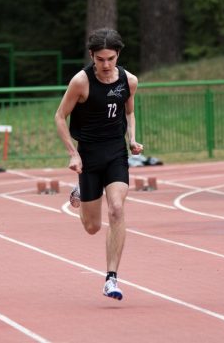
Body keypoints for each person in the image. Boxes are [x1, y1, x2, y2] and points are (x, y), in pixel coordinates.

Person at [55, 28, 143, 301]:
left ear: (118, 55)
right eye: (100, 59)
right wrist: (73, 153)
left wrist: (133, 139)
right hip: (89, 157)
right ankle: (82, 191)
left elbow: (129, 113)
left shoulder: (129, 81)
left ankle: (111, 278)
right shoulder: (81, 82)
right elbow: (59, 117)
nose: (106, 65)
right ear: (92, 56)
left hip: (116, 153)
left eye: (111, 59)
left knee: (117, 208)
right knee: (92, 227)